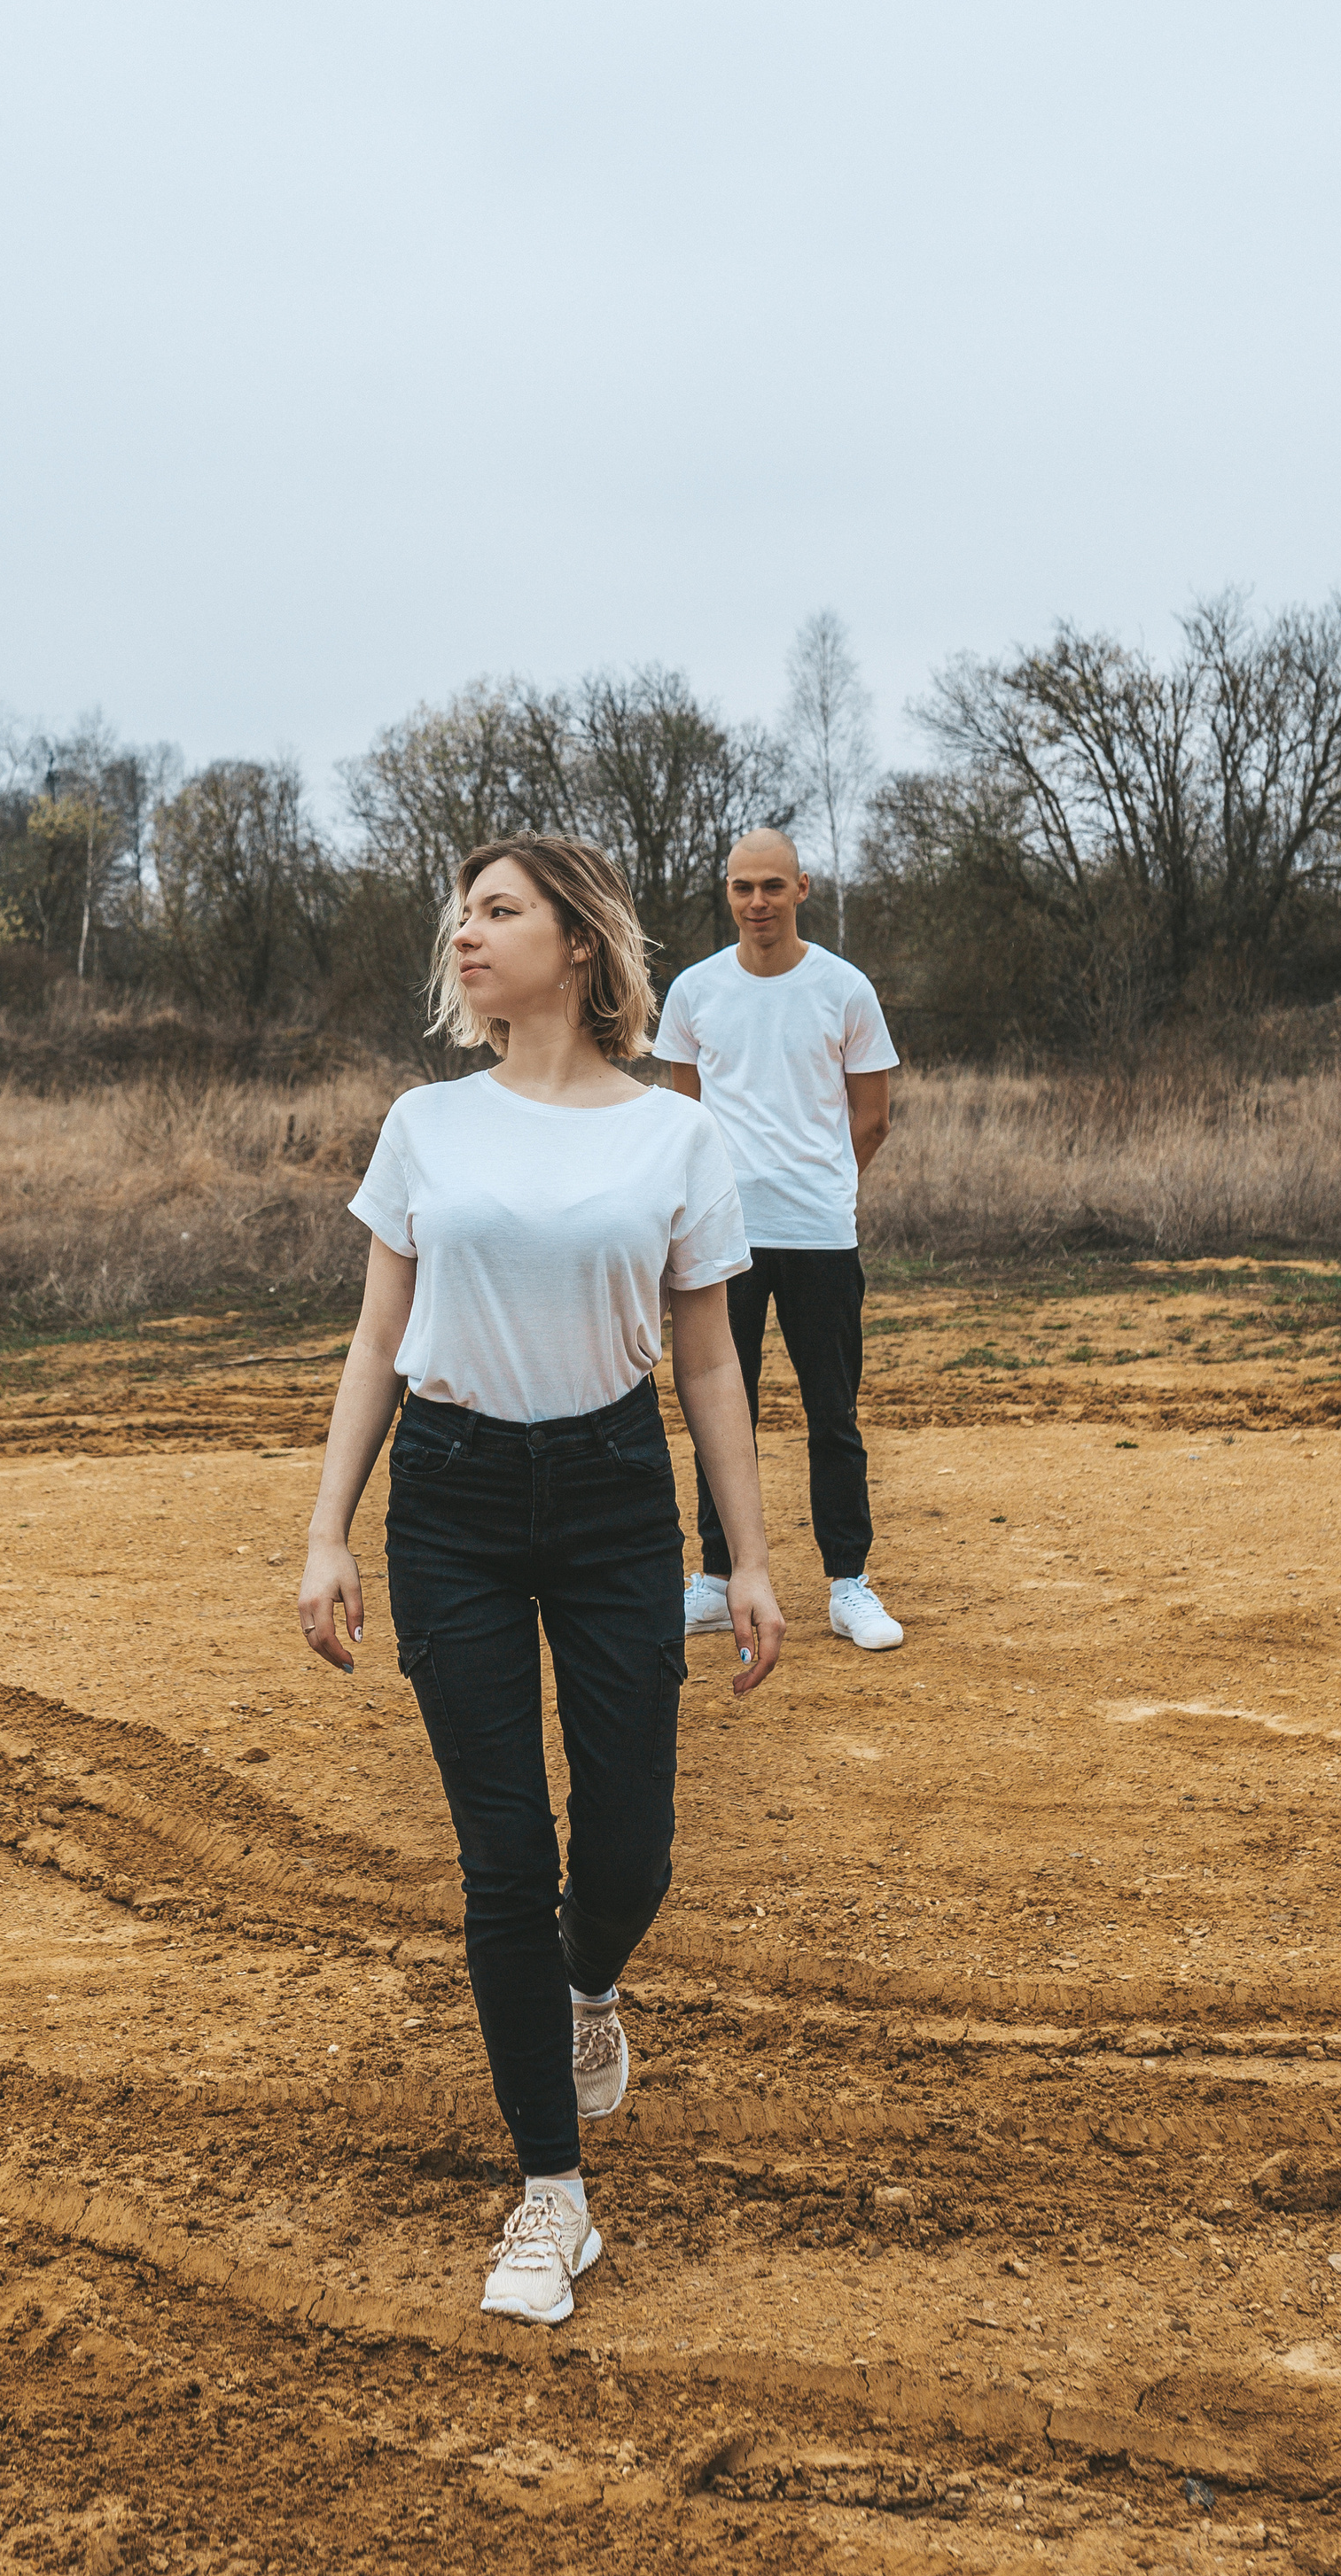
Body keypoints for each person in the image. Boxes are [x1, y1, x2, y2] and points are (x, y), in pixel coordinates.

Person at [296, 834, 786, 2328]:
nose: (467, 934)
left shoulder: (673, 1139)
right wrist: (327, 1531)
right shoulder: (424, 1124)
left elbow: (706, 1356)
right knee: (504, 1857)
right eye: (462, 914)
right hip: (447, 1501)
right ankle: (551, 2197)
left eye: (498, 911)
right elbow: (378, 1340)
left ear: (578, 945)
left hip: (609, 1498)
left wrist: (750, 1559)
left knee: (628, 1848)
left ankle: (593, 1988)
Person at [651, 826, 904, 1651]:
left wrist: (823, 1186)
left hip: (822, 1236)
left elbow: (872, 1119)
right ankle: (717, 1580)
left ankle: (848, 1585)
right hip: (723, 1242)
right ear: (726, 892)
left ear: (802, 888)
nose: (756, 902)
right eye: (740, 887)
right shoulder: (692, 992)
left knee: (833, 1414)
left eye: (771, 886)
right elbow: (682, 1122)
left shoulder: (845, 988)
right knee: (723, 1409)